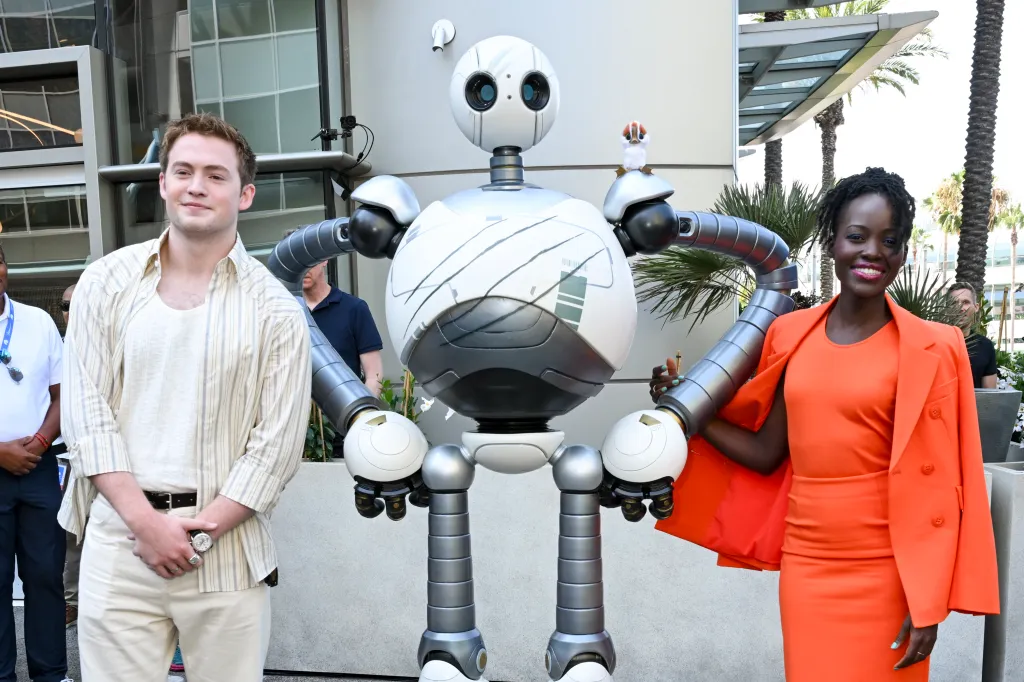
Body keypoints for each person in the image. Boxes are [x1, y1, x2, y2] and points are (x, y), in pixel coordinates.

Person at [651, 168, 999, 681]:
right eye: (857, 236)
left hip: (891, 571)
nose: (872, 251)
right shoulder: (790, 333)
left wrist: (931, 597)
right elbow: (769, 452)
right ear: (832, 242)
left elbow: (958, 474)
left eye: (890, 240)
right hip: (807, 566)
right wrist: (689, 411)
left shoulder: (936, 345)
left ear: (903, 253)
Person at [58, 112, 312, 681]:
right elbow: (86, 416)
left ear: (245, 194)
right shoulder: (106, 282)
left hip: (225, 551)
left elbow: (275, 447)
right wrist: (144, 523)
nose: (197, 186)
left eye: (216, 176)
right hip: (119, 542)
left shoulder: (275, 311)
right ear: (163, 183)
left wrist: (201, 532)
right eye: (184, 171)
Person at [0, 242, 72, 682]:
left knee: (45, 576)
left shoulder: (38, 321)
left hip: (38, 467)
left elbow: (62, 395)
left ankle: (51, 674)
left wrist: (42, 441)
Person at [295, 248, 384, 396]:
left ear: (324, 260)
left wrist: (360, 415)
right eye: (298, 262)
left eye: (309, 260)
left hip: (345, 412)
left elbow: (374, 376)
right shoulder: (286, 312)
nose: (304, 268)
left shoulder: (354, 308)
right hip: (299, 415)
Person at [57, 283, 81, 630]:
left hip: (110, 458)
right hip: (60, 456)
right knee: (68, 535)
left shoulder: (113, 345)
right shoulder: (54, 349)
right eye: (65, 306)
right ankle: (71, 601)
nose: (71, 311)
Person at [948, 282, 998, 388]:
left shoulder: (986, 346)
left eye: (965, 302)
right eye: (954, 303)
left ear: (976, 307)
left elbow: (990, 396)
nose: (960, 308)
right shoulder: (938, 342)